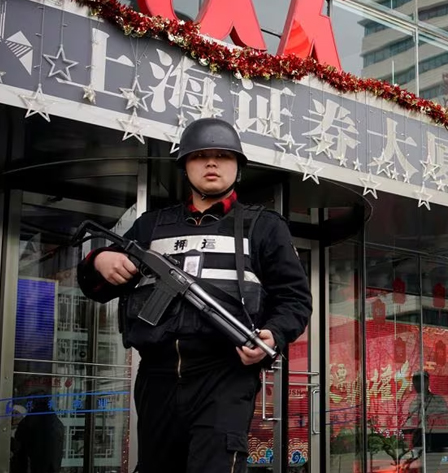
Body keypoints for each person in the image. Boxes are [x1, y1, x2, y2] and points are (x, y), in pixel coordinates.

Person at [76, 117, 312, 473]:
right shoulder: (151, 225)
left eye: (223, 155)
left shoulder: (264, 226)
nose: (212, 163)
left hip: (224, 375)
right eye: (201, 155)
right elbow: (98, 288)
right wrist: (100, 260)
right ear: (185, 166)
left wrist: (274, 335)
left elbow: (295, 299)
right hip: (156, 376)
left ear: (238, 166)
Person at [403, 371, 448, 473]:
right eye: (415, 382)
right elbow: (410, 424)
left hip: (435, 442)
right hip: (419, 443)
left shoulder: (438, 401)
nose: (417, 385)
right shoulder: (413, 403)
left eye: (420, 381)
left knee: (431, 469)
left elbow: (447, 422)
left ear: (427, 382)